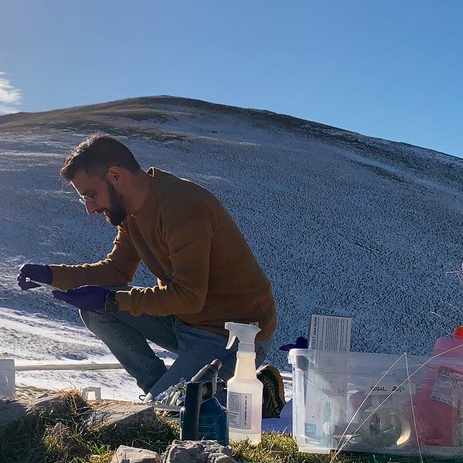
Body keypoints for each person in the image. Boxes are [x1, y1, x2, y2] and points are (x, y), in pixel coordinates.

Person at [17, 133, 276, 401]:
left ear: (115, 176)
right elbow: (116, 271)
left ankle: (253, 393)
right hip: (184, 320)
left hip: (233, 335)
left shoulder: (182, 207)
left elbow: (189, 296)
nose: (90, 208)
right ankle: (160, 391)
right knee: (94, 311)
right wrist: (51, 274)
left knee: (170, 412)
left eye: (91, 195)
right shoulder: (130, 212)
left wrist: (111, 299)